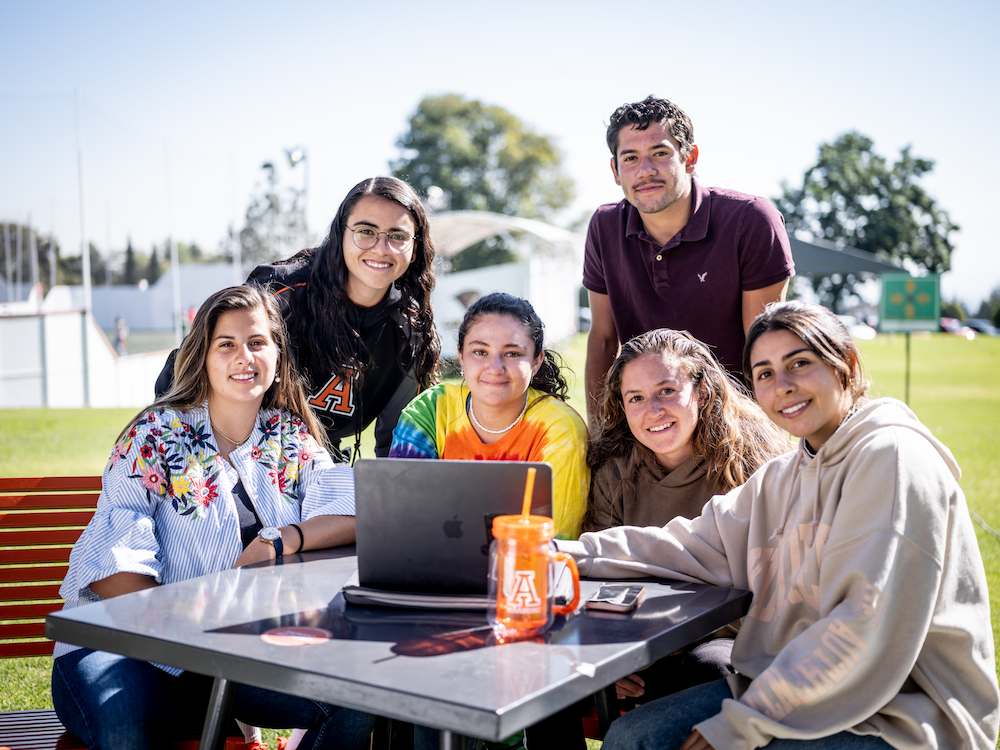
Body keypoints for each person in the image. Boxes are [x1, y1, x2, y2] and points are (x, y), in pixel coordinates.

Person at [560, 301, 999, 749]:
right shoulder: (785, 476)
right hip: (790, 689)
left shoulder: (892, 458)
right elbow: (689, 544)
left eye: (799, 364)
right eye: (765, 373)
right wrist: (565, 553)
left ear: (846, 364)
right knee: (633, 737)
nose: (783, 386)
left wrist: (742, 723)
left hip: (903, 714)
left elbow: (857, 630)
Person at [52, 285, 374, 750]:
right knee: (126, 723)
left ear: (278, 355)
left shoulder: (289, 437)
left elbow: (351, 513)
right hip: (120, 647)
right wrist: (199, 628)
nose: (244, 356)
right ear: (203, 355)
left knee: (356, 696)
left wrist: (280, 539)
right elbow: (112, 572)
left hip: (230, 660)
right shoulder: (156, 436)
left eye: (257, 342)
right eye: (227, 344)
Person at [157, 176, 440, 461]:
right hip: (235, 456)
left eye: (398, 235)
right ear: (340, 233)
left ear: (415, 247)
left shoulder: (411, 328)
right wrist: (194, 460)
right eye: (366, 231)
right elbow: (180, 377)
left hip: (318, 465)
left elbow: (398, 445)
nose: (381, 248)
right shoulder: (279, 295)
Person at [585, 328, 789, 702]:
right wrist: (609, 653)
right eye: (636, 398)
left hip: (727, 637)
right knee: (565, 674)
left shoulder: (751, 465)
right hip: (640, 637)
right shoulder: (615, 471)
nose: (653, 410)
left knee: (709, 667)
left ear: (702, 390)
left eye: (667, 391)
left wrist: (675, 638)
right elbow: (599, 579)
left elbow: (774, 584)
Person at [583, 95, 795, 419]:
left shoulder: (751, 220)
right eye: (631, 158)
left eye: (660, 153)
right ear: (615, 170)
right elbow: (602, 338)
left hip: (733, 422)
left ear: (690, 157)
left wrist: (756, 445)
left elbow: (764, 349)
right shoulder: (604, 226)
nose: (646, 170)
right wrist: (599, 438)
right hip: (646, 421)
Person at [390, 292, 589, 540]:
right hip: (430, 567)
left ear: (536, 361)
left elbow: (553, 542)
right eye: (480, 352)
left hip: (522, 572)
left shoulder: (559, 429)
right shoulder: (430, 410)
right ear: (461, 356)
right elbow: (403, 519)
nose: (495, 368)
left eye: (513, 353)